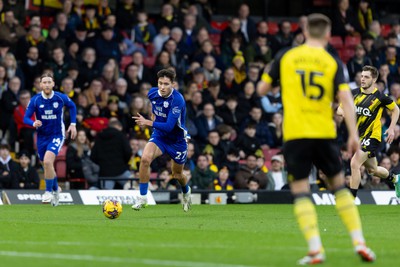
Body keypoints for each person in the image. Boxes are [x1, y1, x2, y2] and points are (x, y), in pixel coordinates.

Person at [257, 14, 375, 264]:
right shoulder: (332, 61)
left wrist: (280, 82)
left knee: (300, 190)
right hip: (323, 132)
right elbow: (345, 100)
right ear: (328, 33)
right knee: (339, 188)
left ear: (304, 30)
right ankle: (359, 242)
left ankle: (315, 249)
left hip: (296, 134)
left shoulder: (285, 56)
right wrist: (353, 135)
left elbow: (261, 90)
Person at [132, 68, 192, 212]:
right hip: (159, 135)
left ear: (173, 84)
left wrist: (148, 122)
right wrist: (153, 117)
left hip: (177, 140)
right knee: (145, 159)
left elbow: (170, 126)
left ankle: (186, 191)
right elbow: (154, 109)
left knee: (177, 175)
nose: (162, 87)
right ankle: (142, 198)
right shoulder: (152, 93)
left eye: (166, 84)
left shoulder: (177, 100)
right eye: (160, 83)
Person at [337, 65, 400, 198]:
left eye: (366, 77)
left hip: (372, 136)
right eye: (362, 76)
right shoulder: (353, 93)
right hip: (358, 137)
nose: (363, 79)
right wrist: (345, 113)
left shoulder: (381, 97)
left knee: (354, 163)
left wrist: (391, 128)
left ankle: (351, 197)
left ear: (374, 79)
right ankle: (395, 179)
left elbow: (396, 110)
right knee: (373, 170)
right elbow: (339, 109)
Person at [24, 72, 77, 206]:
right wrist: (33, 123)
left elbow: (72, 106)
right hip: (41, 137)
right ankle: (56, 188)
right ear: (40, 85)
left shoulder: (60, 97)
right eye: (44, 82)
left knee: (48, 162)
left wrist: (73, 124)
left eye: (49, 82)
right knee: (46, 165)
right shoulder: (35, 100)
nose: (47, 84)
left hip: (57, 135)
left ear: (53, 84)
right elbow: (26, 118)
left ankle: (48, 192)